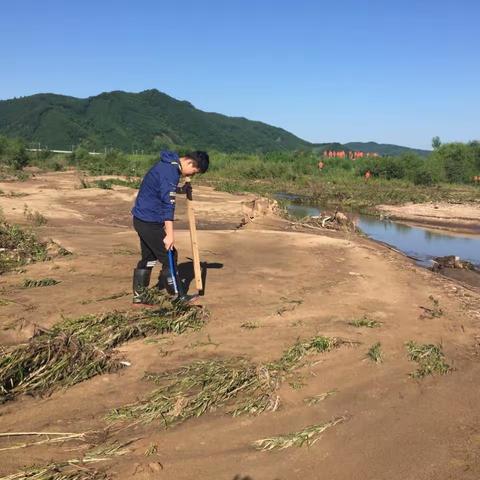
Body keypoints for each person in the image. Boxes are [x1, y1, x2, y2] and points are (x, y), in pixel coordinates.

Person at [131, 150, 209, 304]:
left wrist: (180, 190)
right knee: (170, 256)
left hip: (142, 219)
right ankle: (177, 296)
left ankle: (139, 296)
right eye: (194, 172)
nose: (191, 176)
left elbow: (162, 189)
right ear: (189, 163)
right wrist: (170, 235)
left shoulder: (168, 165)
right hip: (150, 221)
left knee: (149, 258)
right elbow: (168, 205)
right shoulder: (170, 171)